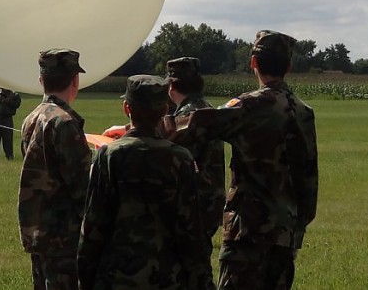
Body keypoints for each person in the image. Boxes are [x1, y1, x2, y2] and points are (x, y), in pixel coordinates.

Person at [78, 74, 211, 290]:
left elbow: (93, 224)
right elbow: (191, 230)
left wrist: (85, 277)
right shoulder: (181, 158)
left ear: (126, 108)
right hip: (166, 277)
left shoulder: (109, 156)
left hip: (116, 276)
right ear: (163, 110)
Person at [215, 30, 319, 290]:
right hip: (284, 235)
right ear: (289, 66)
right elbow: (308, 180)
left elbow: (196, 127)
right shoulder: (303, 112)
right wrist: (296, 228)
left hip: (247, 233)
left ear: (253, 63)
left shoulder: (246, 106)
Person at [17, 49, 92, 290]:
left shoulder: (31, 118)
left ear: (41, 81)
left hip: (38, 230)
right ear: (75, 80)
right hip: (63, 237)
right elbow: (82, 187)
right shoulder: (64, 122)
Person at [165, 57, 225, 289]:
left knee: (191, 273)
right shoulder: (207, 109)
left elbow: (167, 139)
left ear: (171, 86)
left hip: (192, 207)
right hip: (210, 202)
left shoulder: (189, 115)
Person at [0, 85, 21, 160]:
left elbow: (17, 104)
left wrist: (8, 101)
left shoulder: (14, 95)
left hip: (7, 119)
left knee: (8, 139)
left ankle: (9, 155)